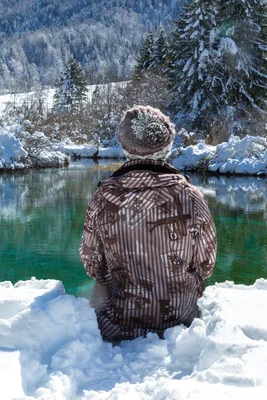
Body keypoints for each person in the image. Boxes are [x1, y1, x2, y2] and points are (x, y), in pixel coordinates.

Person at [79, 105, 217, 342]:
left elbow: (90, 261)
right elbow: (206, 265)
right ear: (167, 145)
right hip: (181, 321)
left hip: (117, 322)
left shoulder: (102, 198)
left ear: (124, 145)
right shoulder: (191, 196)